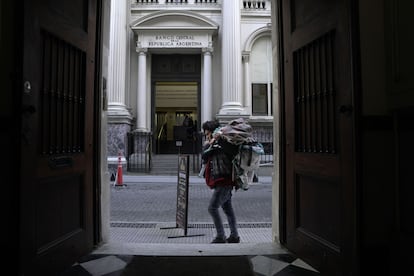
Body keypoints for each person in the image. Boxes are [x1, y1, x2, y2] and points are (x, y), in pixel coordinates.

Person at [201, 120, 240, 244]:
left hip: (224, 181)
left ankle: (220, 236)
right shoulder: (214, 144)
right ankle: (234, 236)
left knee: (212, 208)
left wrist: (216, 141)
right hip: (222, 181)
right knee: (228, 209)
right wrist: (211, 142)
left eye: (207, 133)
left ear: (213, 132)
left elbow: (231, 151)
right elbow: (204, 155)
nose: (206, 136)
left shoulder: (223, 143)